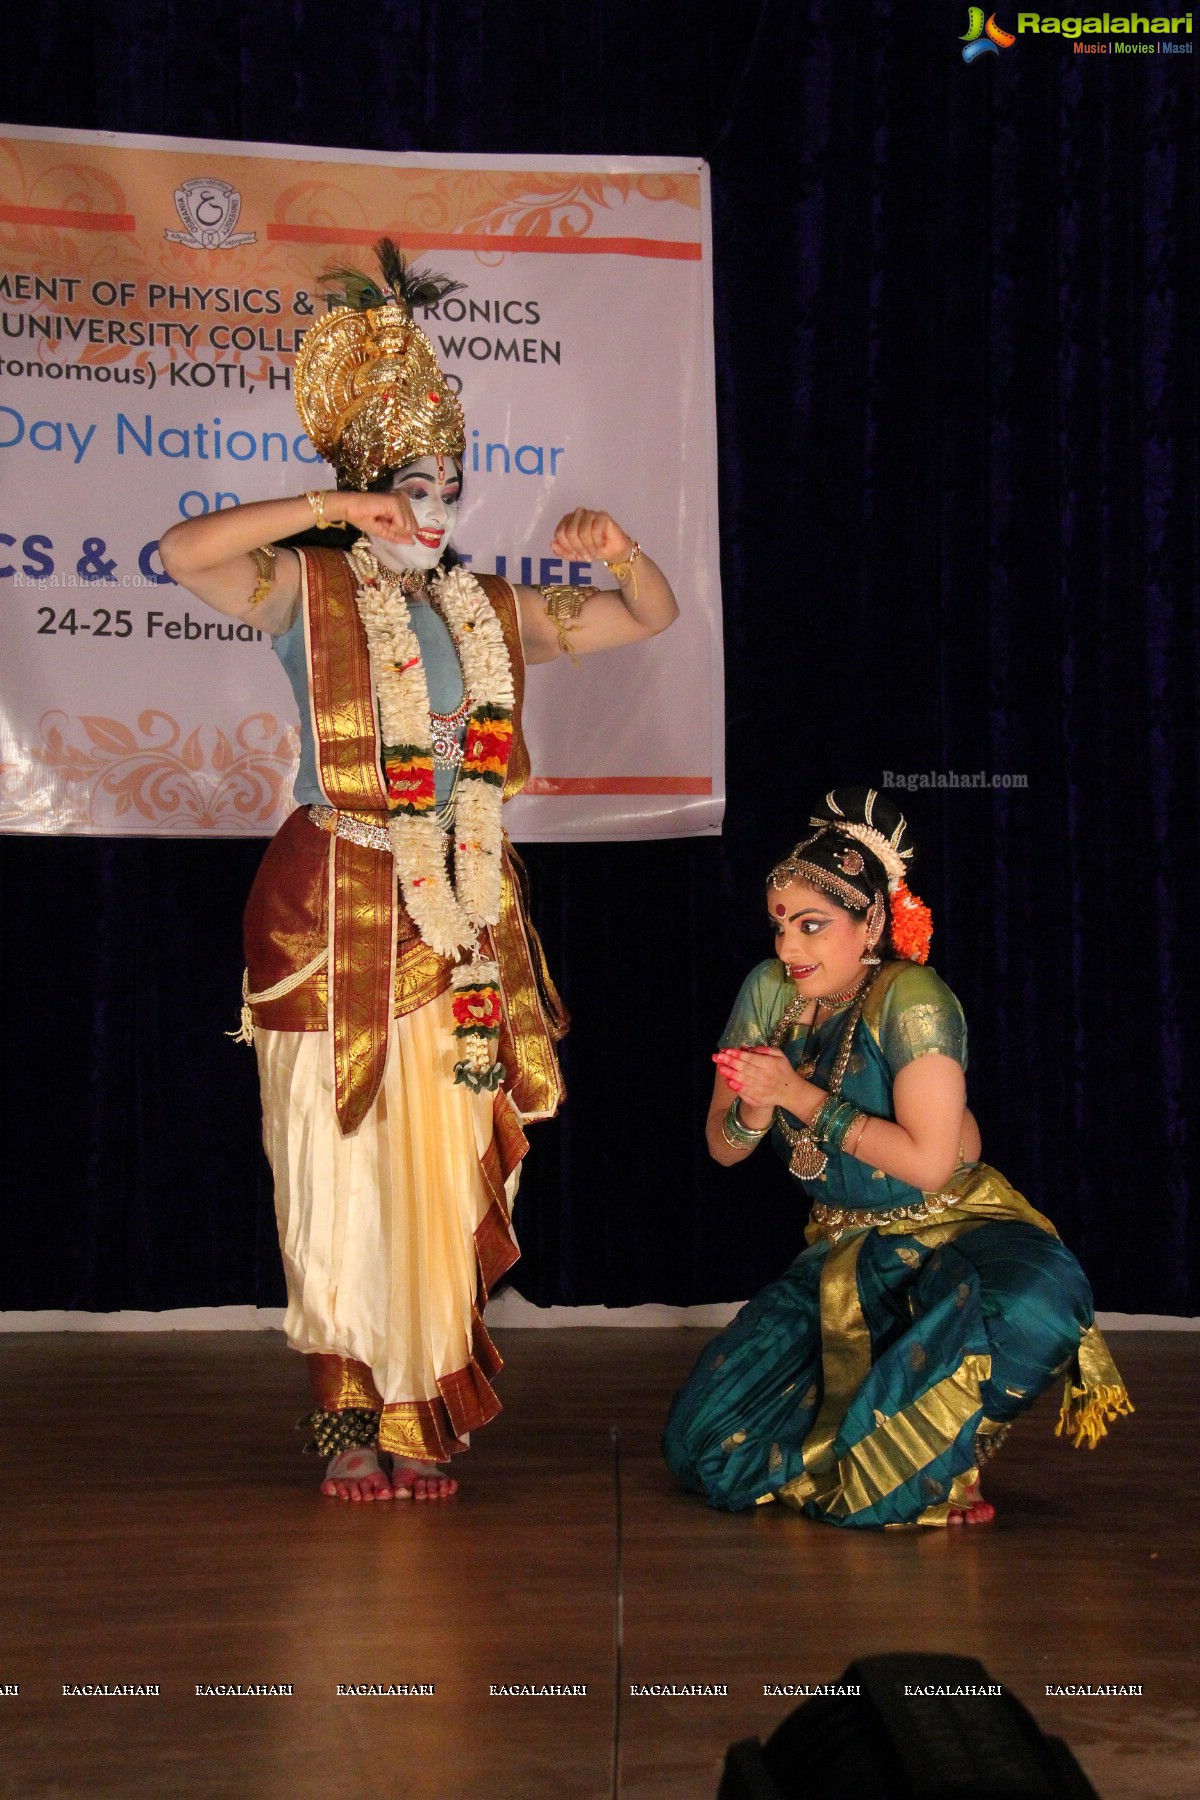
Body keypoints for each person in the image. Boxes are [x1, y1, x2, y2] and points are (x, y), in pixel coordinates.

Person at [159, 243, 678, 1501]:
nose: (430, 508)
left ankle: (418, 1413)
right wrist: (328, 515)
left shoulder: (487, 610)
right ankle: (347, 1418)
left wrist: (617, 551)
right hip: (328, 908)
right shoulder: (309, 589)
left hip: (459, 911)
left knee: (442, 1161)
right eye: (405, 488)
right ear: (360, 493)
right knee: (340, 1167)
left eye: (446, 486)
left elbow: (646, 617)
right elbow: (183, 554)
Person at [663, 788, 1130, 1528]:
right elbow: (723, 1150)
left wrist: (797, 1093)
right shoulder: (768, 991)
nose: (789, 948)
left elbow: (931, 1166)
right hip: (845, 1248)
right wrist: (755, 1104)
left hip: (953, 1231)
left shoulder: (911, 998)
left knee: (1038, 1300)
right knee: (703, 1443)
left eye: (813, 927)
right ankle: (893, 1454)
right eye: (782, 924)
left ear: (871, 922)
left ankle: (945, 1455)